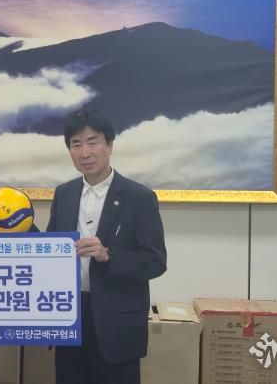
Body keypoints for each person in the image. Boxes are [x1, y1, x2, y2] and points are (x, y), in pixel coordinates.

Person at [47, 109, 167, 384]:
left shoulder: (139, 197)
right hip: (71, 318)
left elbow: (155, 262)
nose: (85, 152)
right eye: (76, 144)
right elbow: (52, 246)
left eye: (93, 142)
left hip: (117, 323)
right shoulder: (64, 194)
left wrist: (108, 255)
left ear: (110, 145)